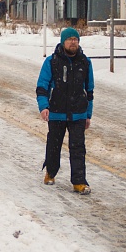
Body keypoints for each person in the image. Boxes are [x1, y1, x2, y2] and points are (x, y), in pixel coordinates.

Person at [36, 27, 94, 195]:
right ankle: (51, 172)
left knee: (78, 148)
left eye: (75, 39)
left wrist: (88, 115)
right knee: (54, 145)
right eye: (69, 39)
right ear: (63, 41)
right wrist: (43, 106)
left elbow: (89, 91)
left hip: (78, 113)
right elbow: (42, 87)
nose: (73, 42)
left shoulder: (85, 62)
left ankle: (79, 181)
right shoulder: (52, 61)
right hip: (56, 111)